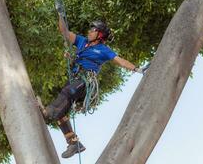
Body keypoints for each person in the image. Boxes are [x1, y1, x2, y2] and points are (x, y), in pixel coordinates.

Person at [39, 15, 144, 159]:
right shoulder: (82, 41)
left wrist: (138, 69)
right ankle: (74, 143)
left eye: (92, 30)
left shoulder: (104, 50)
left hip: (85, 81)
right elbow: (64, 31)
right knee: (62, 111)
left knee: (66, 93)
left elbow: (120, 61)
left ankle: (48, 112)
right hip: (75, 79)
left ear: (99, 34)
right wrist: (60, 14)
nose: (89, 32)